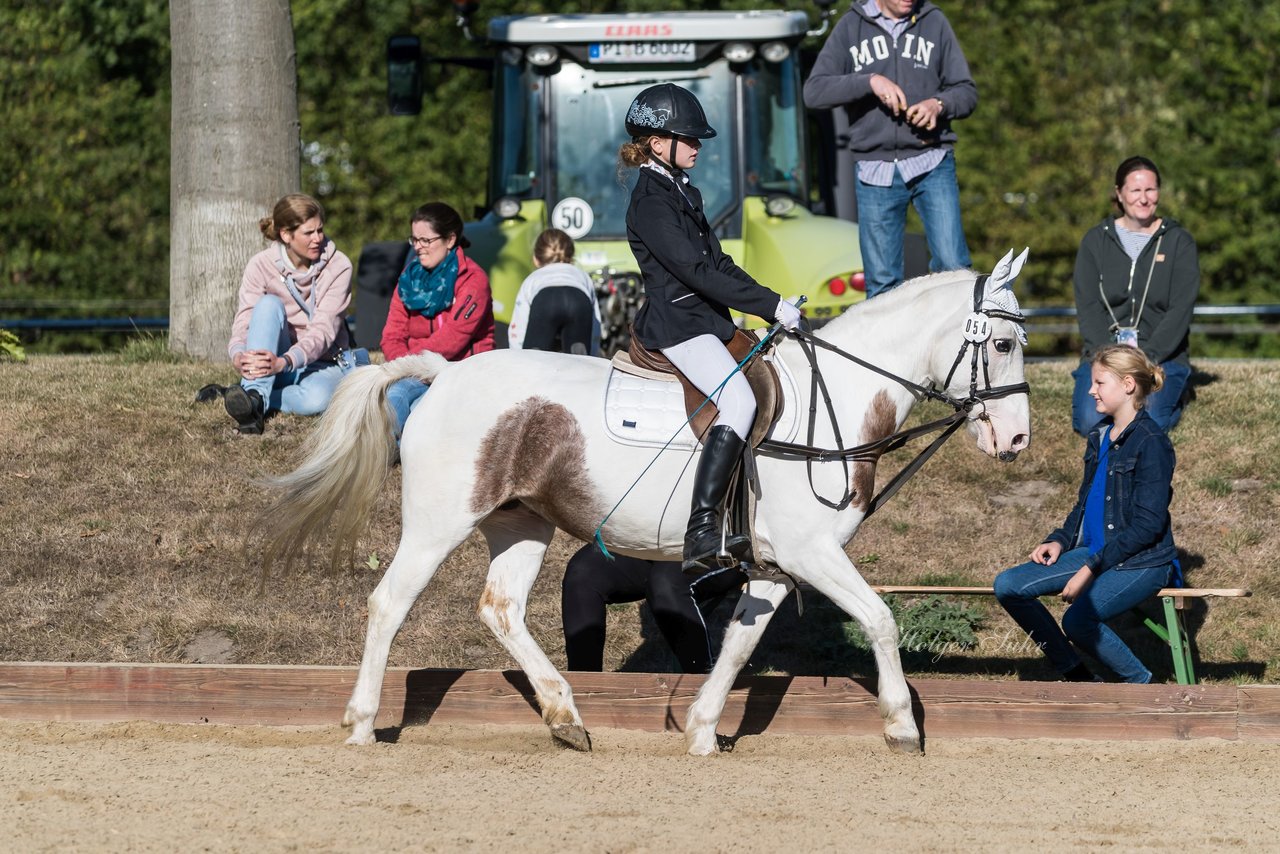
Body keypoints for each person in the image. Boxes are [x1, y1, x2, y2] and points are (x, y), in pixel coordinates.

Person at [620, 82, 801, 575]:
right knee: (738, 401)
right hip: (678, 324)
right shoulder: (652, 202)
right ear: (658, 143)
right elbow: (695, 276)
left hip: (704, 317)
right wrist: (766, 304)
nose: (698, 146)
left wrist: (773, 304)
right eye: (689, 139)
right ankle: (702, 529)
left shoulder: (680, 189)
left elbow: (718, 263)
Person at [994, 345, 1178, 684]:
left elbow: (1148, 526)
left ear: (1127, 385)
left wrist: (1089, 569)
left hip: (1142, 562)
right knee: (1008, 586)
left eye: (1099, 382)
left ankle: (1143, 685)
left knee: (1078, 621)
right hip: (1095, 552)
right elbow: (1084, 504)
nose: (1091, 390)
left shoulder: (1152, 442)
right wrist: (1059, 541)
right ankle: (1076, 674)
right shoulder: (1100, 436)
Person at [802, 0, 977, 298]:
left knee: (954, 268)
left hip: (931, 161)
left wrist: (939, 105)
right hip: (875, 170)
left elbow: (967, 92)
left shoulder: (933, 21)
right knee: (882, 283)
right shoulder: (851, 26)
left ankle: (960, 342)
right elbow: (814, 92)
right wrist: (869, 82)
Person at [1071, 155, 1200, 436]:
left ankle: (1177, 393)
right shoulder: (1095, 241)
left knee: (1146, 422)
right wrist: (1109, 362)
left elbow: (1180, 310)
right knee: (1090, 422)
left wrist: (1147, 357)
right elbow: (1088, 306)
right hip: (1105, 354)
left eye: (1150, 190)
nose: (1144, 198)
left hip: (1160, 356)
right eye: (1135, 190)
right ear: (1119, 193)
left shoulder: (1179, 242)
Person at [223, 193, 355, 435]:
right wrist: (238, 354)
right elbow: (245, 318)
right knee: (267, 305)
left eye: (320, 230)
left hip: (321, 363)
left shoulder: (339, 266)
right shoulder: (260, 265)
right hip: (274, 358)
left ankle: (253, 396)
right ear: (286, 235)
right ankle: (253, 398)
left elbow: (324, 330)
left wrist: (284, 362)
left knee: (316, 400)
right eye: (309, 233)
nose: (318, 238)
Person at [381, 202, 495, 439]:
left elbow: (451, 341)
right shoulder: (407, 280)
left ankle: (400, 446)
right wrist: (404, 367)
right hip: (413, 371)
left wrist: (406, 364)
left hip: (459, 370)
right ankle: (388, 445)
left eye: (426, 240)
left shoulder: (474, 280)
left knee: (418, 407)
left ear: (450, 239)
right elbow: (392, 335)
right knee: (396, 397)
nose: (418, 248)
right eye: (414, 240)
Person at [561, 545, 746, 673]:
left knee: (666, 585)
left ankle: (705, 693)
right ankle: (584, 693)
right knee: (583, 574)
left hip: (722, 537)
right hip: (656, 537)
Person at [508, 228, 602, 356]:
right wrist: (592, 355)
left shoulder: (532, 279)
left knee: (533, 359)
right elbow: (595, 324)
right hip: (578, 299)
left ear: (536, 259)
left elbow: (518, 330)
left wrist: (518, 357)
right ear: (571, 257)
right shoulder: (583, 276)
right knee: (580, 363)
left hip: (545, 301)